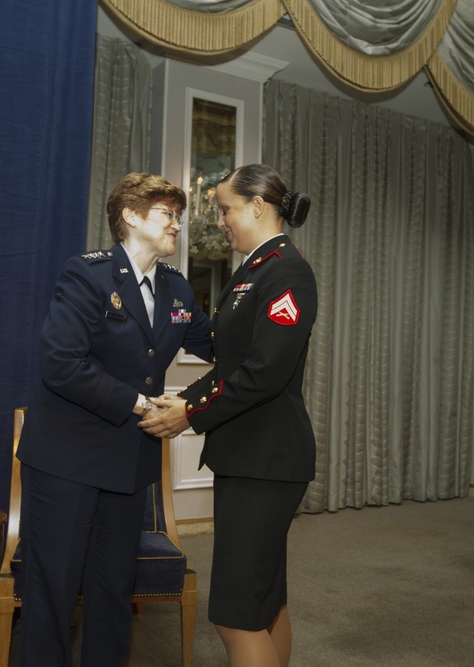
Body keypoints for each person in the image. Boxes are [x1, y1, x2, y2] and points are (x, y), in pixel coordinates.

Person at [16, 172, 213, 666]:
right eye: (168, 213)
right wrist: (143, 405)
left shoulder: (178, 291)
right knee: (52, 594)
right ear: (130, 215)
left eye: (178, 216)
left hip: (127, 466)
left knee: (111, 593)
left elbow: (221, 347)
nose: (177, 225)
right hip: (67, 460)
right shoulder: (87, 274)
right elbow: (61, 364)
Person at [141, 163, 317, 667]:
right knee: (263, 601)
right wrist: (187, 397)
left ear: (257, 206)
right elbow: (232, 362)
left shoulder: (286, 272)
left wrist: (189, 413)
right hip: (251, 457)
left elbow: (264, 373)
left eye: (225, 209)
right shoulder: (255, 270)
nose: (220, 220)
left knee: (234, 614)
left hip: (267, 460)